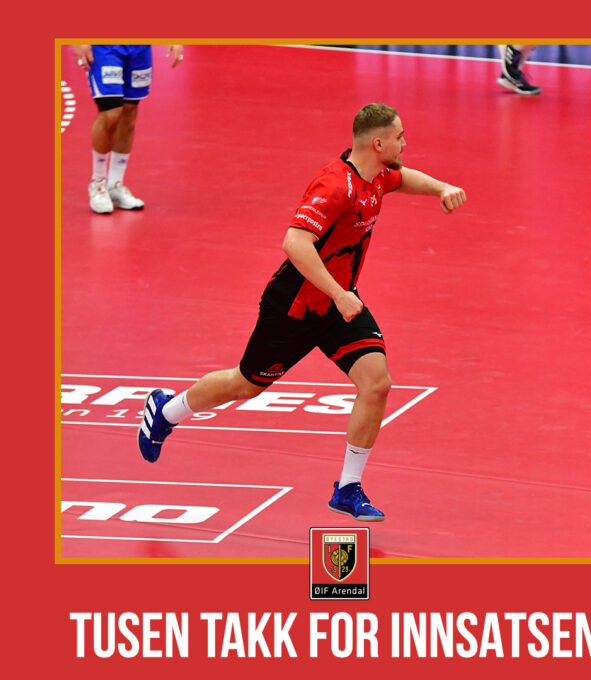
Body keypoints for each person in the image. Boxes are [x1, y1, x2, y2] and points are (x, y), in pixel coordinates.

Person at [137, 103, 467, 521]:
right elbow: (294, 243)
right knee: (245, 385)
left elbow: (404, 179)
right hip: (295, 306)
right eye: (400, 136)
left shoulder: (378, 175)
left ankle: (347, 487)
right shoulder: (334, 186)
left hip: (338, 303)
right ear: (378, 143)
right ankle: (166, 411)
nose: (405, 143)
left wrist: (441, 188)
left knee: (376, 384)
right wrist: (338, 294)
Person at [72, 44, 184, 214]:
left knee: (129, 112)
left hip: (139, 46)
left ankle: (115, 185)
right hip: (104, 46)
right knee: (111, 112)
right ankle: (98, 182)